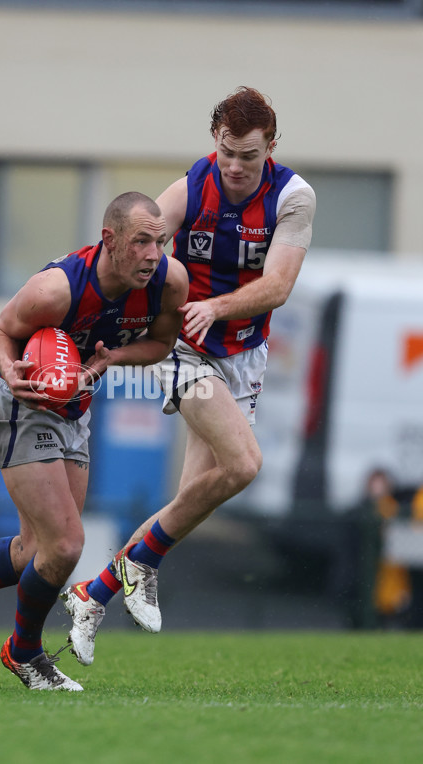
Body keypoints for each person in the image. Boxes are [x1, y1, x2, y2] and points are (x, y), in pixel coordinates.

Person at [61, 86, 317, 666]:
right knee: (245, 464)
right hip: (179, 346)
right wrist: (74, 300)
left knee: (195, 497)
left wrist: (220, 308)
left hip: (243, 353)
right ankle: (140, 565)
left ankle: (93, 594)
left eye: (248, 155)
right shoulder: (189, 188)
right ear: (216, 141)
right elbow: (129, 245)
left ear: (271, 148)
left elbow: (278, 286)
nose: (234, 165)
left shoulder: (294, 198)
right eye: (227, 150)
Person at [0, 192, 188, 692]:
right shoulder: (57, 290)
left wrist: (107, 362)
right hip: (20, 404)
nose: (151, 254)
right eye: (140, 241)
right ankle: (25, 654)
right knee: (67, 544)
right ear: (110, 240)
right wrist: (10, 370)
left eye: (159, 242)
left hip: (74, 410)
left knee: (40, 551)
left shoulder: (168, 281)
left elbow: (160, 344)